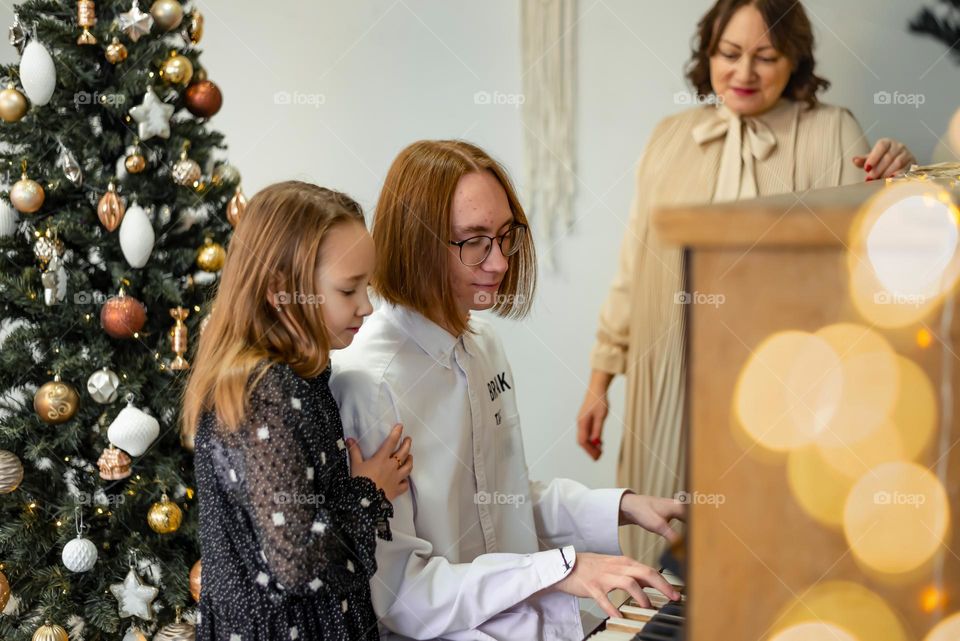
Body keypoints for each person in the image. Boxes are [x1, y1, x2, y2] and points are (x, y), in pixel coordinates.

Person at [577, 0, 918, 566]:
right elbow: (632, 270)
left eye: (766, 56)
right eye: (729, 54)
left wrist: (900, 180)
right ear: (707, 54)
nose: (743, 73)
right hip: (670, 388)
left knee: (769, 563)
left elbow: (874, 265)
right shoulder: (669, 137)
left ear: (795, 61)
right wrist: (598, 382)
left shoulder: (832, 131)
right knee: (661, 557)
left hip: (789, 394)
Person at [332, 140, 684, 641]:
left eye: (504, 237)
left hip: (515, 618)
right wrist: (560, 569)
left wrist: (622, 506)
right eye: (474, 241)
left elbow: (502, 500)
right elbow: (402, 597)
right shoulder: (369, 381)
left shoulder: (483, 343)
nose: (498, 263)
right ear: (418, 242)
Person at [182, 181, 413, 640]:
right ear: (281, 291)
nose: (366, 306)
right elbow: (297, 562)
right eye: (349, 290)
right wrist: (368, 492)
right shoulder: (263, 396)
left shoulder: (298, 378)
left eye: (366, 286)